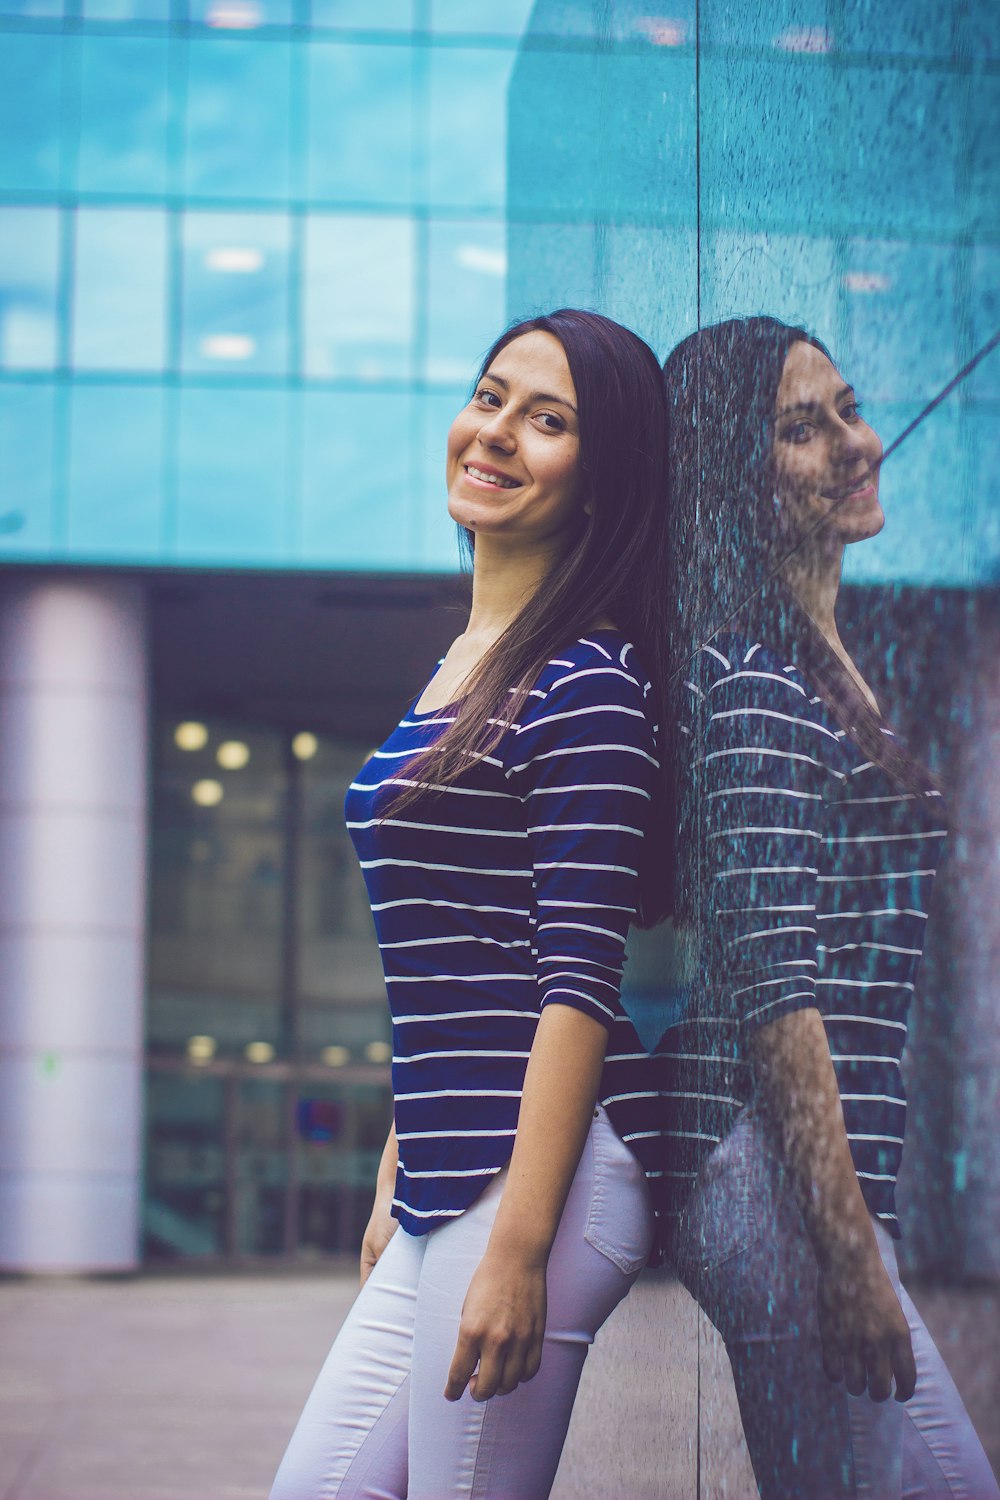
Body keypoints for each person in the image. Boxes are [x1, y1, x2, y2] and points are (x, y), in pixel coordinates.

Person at [269, 309, 673, 1500]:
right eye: (491, 396)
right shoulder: (468, 662)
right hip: (450, 1175)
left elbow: (572, 983)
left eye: (547, 420)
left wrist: (517, 1250)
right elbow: (450, 958)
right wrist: (400, 1169)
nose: (495, 432)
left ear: (601, 480)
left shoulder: (587, 680)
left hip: (532, 1188)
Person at [657, 316, 998, 1499]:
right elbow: (774, 989)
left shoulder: (821, 662)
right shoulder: (750, 674)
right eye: (803, 428)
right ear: (731, 477)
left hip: (821, 1172)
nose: (857, 442)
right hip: (774, 1174)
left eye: (849, 408)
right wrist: (849, 1258)